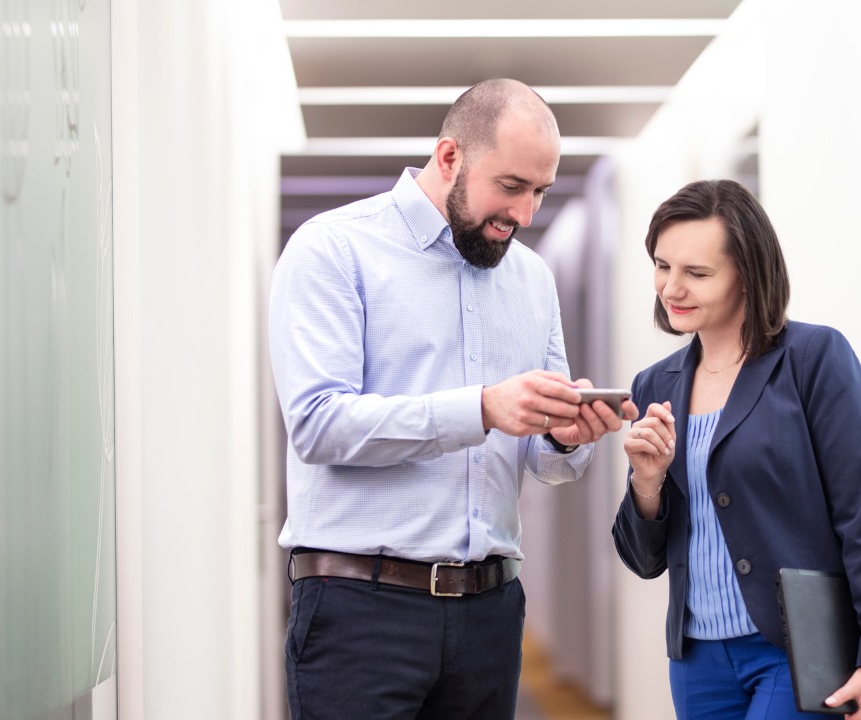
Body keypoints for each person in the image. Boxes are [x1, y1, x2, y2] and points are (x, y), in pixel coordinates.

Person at [268, 78, 639, 720]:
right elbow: (318, 424)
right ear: (449, 158)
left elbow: (546, 465)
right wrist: (485, 408)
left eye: (541, 192)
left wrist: (563, 434)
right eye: (512, 186)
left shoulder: (531, 278)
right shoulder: (334, 249)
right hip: (360, 615)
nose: (525, 215)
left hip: (488, 618)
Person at [613, 179, 861, 720]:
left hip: (795, 650)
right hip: (697, 661)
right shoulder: (654, 386)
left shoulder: (813, 359)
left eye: (697, 273)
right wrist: (647, 483)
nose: (671, 288)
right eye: (663, 266)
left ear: (747, 276)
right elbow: (644, 559)